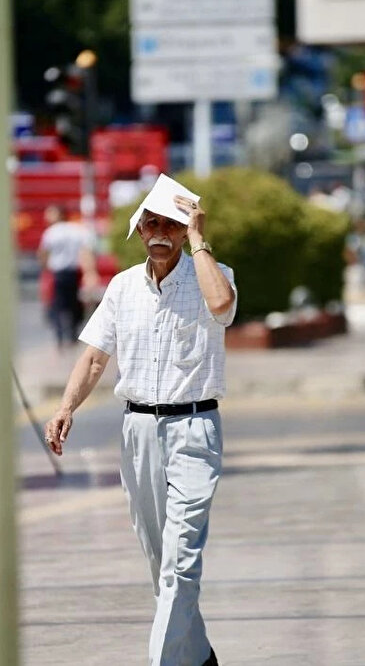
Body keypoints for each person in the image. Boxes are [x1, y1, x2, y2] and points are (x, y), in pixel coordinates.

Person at [45, 174, 236, 666]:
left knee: (181, 562)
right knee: (161, 566)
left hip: (194, 430)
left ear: (186, 228)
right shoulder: (123, 287)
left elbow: (222, 307)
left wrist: (198, 241)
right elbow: (93, 359)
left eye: (171, 224)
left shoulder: (213, 273)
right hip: (137, 434)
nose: (159, 232)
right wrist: (66, 407)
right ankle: (200, 660)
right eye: (150, 222)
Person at [37, 205, 98, 352]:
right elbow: (87, 250)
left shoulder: (51, 233)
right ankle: (72, 334)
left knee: (57, 304)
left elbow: (43, 253)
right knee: (74, 303)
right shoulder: (77, 230)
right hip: (73, 272)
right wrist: (90, 271)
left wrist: (45, 268)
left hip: (58, 273)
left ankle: (59, 335)